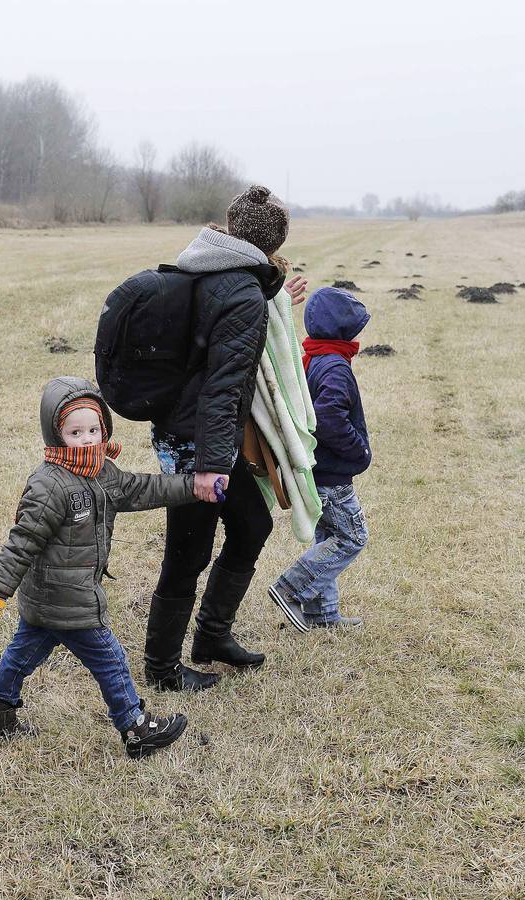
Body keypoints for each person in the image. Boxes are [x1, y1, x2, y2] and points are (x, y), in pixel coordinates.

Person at [0, 377, 201, 757]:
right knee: (110, 658)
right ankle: (135, 727)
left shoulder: (101, 471)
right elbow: (22, 541)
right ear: (56, 434)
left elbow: (143, 489)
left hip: (50, 600)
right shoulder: (50, 485)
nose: (87, 439)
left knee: (24, 652)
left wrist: (193, 486)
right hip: (69, 598)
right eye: (75, 431)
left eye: (94, 429)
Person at [144, 185, 303, 692]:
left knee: (252, 523)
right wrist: (211, 465)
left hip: (208, 435)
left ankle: (212, 635)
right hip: (197, 441)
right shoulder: (240, 293)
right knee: (187, 551)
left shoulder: (212, 264)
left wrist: (274, 295)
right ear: (273, 239)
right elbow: (223, 383)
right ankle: (162, 667)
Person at [268, 287, 371, 630]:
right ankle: (291, 587)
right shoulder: (334, 366)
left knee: (327, 538)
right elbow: (328, 419)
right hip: (332, 475)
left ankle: (322, 615)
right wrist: (359, 450)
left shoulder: (315, 356)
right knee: (351, 537)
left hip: (316, 470)